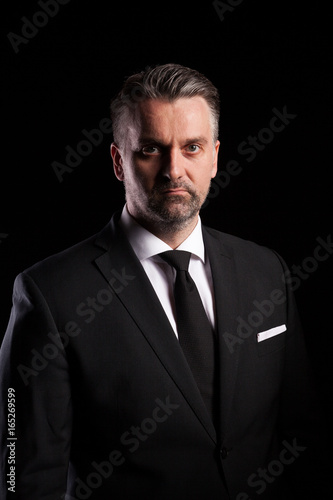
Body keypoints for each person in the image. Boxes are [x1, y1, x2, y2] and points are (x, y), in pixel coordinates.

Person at [0, 63, 328, 500]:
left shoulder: (267, 271)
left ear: (214, 156)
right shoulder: (50, 295)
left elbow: (302, 434)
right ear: (118, 161)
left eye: (191, 147)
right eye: (151, 149)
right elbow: (23, 478)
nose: (174, 170)